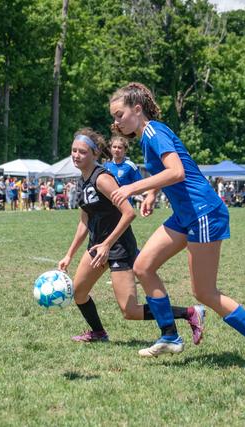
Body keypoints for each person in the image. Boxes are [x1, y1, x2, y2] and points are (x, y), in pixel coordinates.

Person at [108, 82, 245, 372]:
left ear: (137, 110)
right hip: (185, 214)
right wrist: (152, 193)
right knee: (143, 267)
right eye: (114, 117)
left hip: (203, 213)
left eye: (119, 115)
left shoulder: (154, 132)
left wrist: (133, 188)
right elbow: (170, 171)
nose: (116, 122)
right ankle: (169, 336)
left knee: (204, 292)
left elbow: (177, 172)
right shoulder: (148, 136)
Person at [58, 128, 203, 343]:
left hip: (118, 248)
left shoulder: (102, 179)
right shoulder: (82, 180)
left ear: (95, 153)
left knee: (130, 311)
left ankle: (189, 313)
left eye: (82, 152)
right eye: (74, 150)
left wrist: (107, 244)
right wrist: (69, 255)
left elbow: (129, 212)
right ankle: (98, 332)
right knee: (79, 293)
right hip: (97, 247)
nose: (76, 155)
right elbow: (84, 221)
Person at [103, 135, 143, 205]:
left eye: (120, 147)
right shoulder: (105, 165)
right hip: (107, 205)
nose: (116, 150)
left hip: (124, 204)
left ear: (125, 150)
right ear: (110, 149)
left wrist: (131, 192)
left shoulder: (130, 166)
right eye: (114, 147)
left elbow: (140, 184)